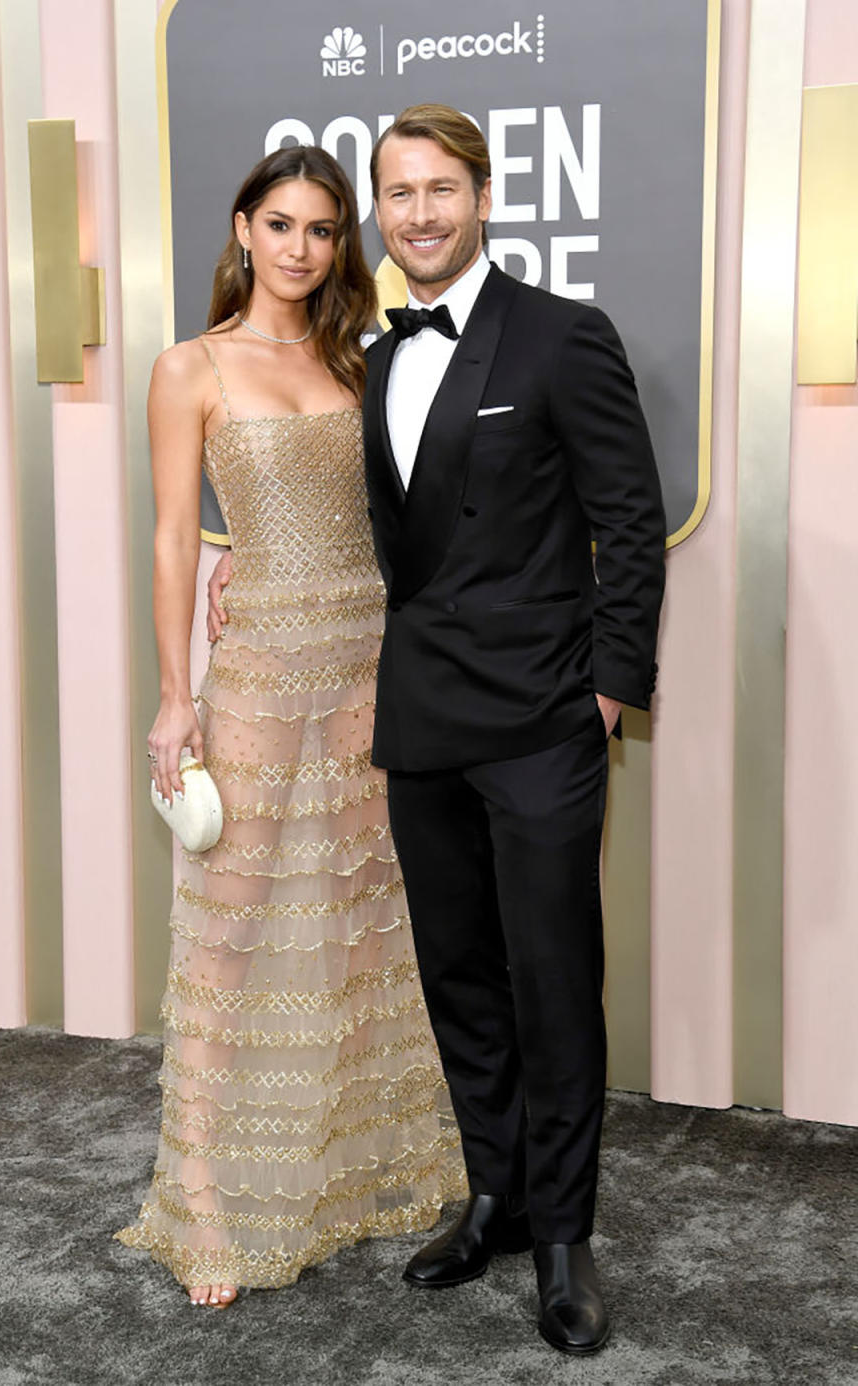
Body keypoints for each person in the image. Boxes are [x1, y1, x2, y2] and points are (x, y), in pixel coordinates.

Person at [115, 145, 465, 1311]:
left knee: (367, 922)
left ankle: (358, 1176)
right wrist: (178, 694)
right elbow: (174, 536)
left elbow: (386, 518)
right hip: (260, 676)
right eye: (281, 225)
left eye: (323, 229)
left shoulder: (358, 362)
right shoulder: (189, 366)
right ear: (242, 229)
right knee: (231, 937)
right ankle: (208, 1205)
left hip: (371, 664)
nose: (302, 249)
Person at [361, 105, 667, 1355]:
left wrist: (608, 688)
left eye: (442, 189)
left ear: (484, 196)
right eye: (399, 193)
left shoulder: (561, 335)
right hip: (422, 715)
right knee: (460, 976)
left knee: (553, 982)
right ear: (379, 208)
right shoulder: (376, 356)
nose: (420, 213)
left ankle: (564, 1236)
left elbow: (629, 523)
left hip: (543, 716)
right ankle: (492, 1191)